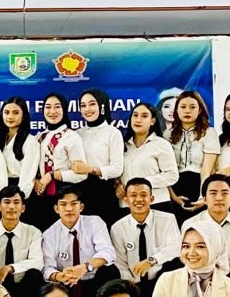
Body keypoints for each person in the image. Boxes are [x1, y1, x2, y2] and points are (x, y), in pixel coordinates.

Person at [41, 184, 120, 297]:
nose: (69, 209)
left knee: (111, 270)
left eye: (74, 204)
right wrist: (60, 276)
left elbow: (108, 252)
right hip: (66, 282)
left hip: (93, 278)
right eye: (63, 204)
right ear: (56, 209)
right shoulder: (49, 234)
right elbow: (47, 269)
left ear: (81, 207)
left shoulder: (95, 222)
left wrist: (85, 267)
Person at [110, 178, 181, 290]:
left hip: (162, 280)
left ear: (151, 199)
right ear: (125, 200)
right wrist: (129, 283)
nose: (139, 199)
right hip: (133, 283)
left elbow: (175, 248)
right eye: (133, 195)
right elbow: (120, 261)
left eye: (143, 195)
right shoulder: (118, 227)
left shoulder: (168, 219)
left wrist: (151, 261)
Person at [29, 92, 85, 229]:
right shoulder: (39, 137)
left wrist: (53, 175)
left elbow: (81, 174)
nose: (52, 111)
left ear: (64, 109)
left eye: (57, 107)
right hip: (39, 195)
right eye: (48, 107)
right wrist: (35, 180)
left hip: (63, 197)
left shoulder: (72, 137)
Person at [69, 87, 125, 220]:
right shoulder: (77, 134)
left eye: (92, 104)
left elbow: (117, 169)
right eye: (83, 105)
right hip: (79, 192)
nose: (87, 109)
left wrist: (90, 169)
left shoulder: (113, 132)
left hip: (103, 192)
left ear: (102, 106)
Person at [119, 102, 178, 213]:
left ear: (152, 121)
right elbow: (117, 172)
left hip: (156, 203)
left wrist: (141, 184)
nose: (138, 120)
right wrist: (117, 185)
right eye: (135, 115)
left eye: (144, 116)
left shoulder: (161, 144)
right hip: (127, 205)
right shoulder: (123, 145)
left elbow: (172, 175)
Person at [165, 90, 218, 213]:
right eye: (183, 107)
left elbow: (206, 171)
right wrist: (173, 196)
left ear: (199, 110)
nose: (187, 111)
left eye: (192, 107)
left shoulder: (209, 133)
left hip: (200, 185)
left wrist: (203, 196)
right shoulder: (167, 135)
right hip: (175, 187)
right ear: (177, 110)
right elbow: (165, 170)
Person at [0, 97, 38, 200]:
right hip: (2, 189)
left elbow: (28, 177)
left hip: (21, 191)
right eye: (6, 112)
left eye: (15, 113)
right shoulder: (1, 140)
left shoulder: (30, 141)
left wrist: (19, 199)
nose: (10, 116)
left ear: (24, 115)